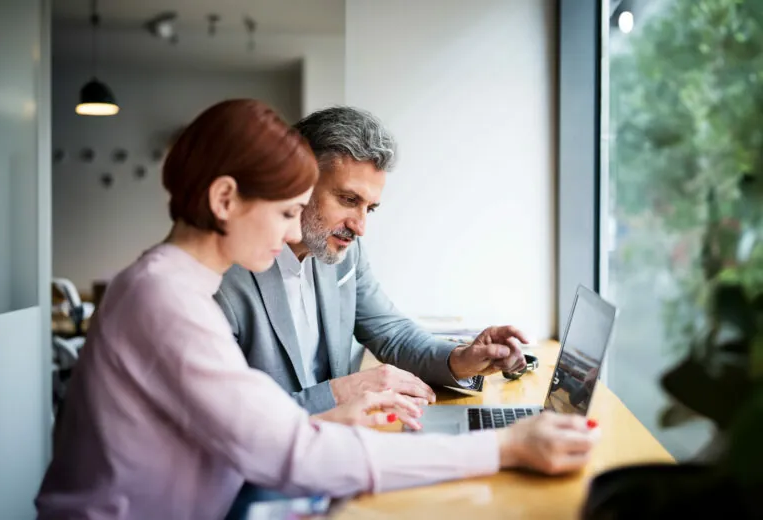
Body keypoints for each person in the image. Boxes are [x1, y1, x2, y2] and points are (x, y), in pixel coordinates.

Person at [34, 99, 599, 520]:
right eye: (287, 212)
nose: (289, 234)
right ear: (225, 199)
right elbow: (287, 449)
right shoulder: (166, 299)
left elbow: (259, 432)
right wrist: (504, 446)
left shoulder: (172, 287)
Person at [215, 105, 529, 416]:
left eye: (370, 208)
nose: (360, 227)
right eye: (348, 200)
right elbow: (229, 417)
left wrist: (460, 359)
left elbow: (392, 333)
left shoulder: (343, 252)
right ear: (297, 181)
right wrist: (342, 392)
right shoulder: (220, 280)